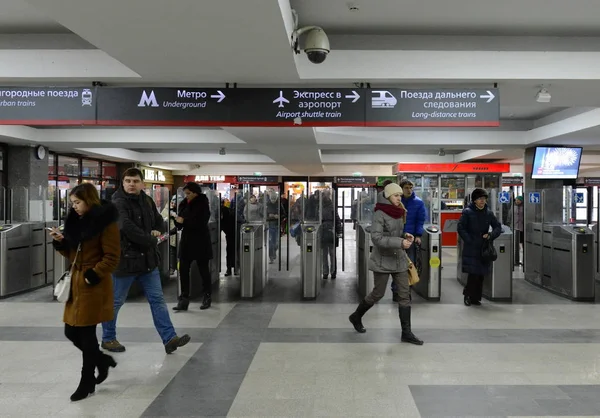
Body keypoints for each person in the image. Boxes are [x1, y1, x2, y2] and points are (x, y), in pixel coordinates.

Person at [101, 168, 191, 354]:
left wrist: (158, 229)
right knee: (115, 302)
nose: (131, 184)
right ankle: (108, 338)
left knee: (157, 300)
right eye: (128, 181)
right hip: (125, 262)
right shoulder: (118, 202)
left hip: (147, 262)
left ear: (142, 184)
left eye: (135, 181)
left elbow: (159, 220)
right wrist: (151, 239)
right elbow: (126, 227)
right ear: (123, 183)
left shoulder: (147, 200)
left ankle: (169, 338)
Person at [49, 183, 120, 402]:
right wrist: (61, 243)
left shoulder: (106, 224)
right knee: (71, 332)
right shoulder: (76, 222)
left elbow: (112, 257)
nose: (75, 207)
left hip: (93, 284)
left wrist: (93, 274)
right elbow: (74, 254)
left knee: (87, 334)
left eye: (78, 202)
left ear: (89, 200)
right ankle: (102, 361)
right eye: (72, 203)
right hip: (77, 285)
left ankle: (87, 381)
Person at [348, 183, 423, 345]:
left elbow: (396, 233)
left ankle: (406, 332)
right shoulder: (380, 213)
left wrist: (406, 235)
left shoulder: (400, 211)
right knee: (378, 293)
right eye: (396, 195)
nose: (399, 198)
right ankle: (356, 316)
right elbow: (377, 238)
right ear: (388, 196)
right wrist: (399, 242)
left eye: (400, 195)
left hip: (399, 259)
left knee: (404, 295)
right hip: (382, 260)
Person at [457, 188, 503, 306]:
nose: (482, 201)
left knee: (481, 274)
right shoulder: (467, 212)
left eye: (484, 199)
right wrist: (469, 240)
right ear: (474, 200)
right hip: (472, 247)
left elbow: (498, 227)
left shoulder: (488, 213)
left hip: (484, 247)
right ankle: (467, 295)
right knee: (473, 274)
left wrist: (491, 235)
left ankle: (476, 297)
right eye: (480, 199)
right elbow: (461, 227)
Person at [173, 182, 213, 311]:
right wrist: (177, 222)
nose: (187, 196)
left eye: (189, 193)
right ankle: (184, 299)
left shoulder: (203, 204)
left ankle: (207, 296)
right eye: (185, 194)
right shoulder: (184, 204)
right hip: (186, 241)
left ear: (196, 193)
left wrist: (184, 221)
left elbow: (201, 223)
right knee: (183, 270)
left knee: (203, 270)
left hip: (200, 241)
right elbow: (180, 223)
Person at [391, 179, 426, 301]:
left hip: (410, 239)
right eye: (406, 188)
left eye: (411, 187)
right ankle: (396, 290)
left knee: (408, 265)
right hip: (397, 237)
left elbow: (420, 221)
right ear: (401, 189)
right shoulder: (396, 201)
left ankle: (406, 291)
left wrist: (418, 235)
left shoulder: (418, 203)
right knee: (396, 265)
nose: (409, 190)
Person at [321, 189, 342, 279]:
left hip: (331, 231)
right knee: (324, 253)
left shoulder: (332, 206)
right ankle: (325, 272)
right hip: (322, 232)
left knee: (332, 253)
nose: (325, 196)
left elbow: (337, 219)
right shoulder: (319, 205)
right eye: (324, 195)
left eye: (326, 195)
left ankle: (333, 272)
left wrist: (339, 231)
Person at [221, 198, 235, 276]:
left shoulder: (225, 210)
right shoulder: (226, 210)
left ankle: (230, 268)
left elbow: (222, 223)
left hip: (230, 232)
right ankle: (231, 268)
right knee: (230, 250)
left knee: (230, 250)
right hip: (231, 232)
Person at [514, 195, 524, 265]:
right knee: (516, 244)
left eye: (518, 200)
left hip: (522, 228)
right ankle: (516, 260)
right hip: (515, 227)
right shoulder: (513, 207)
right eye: (516, 200)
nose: (517, 201)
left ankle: (522, 260)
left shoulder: (524, 207)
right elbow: (509, 215)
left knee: (522, 243)